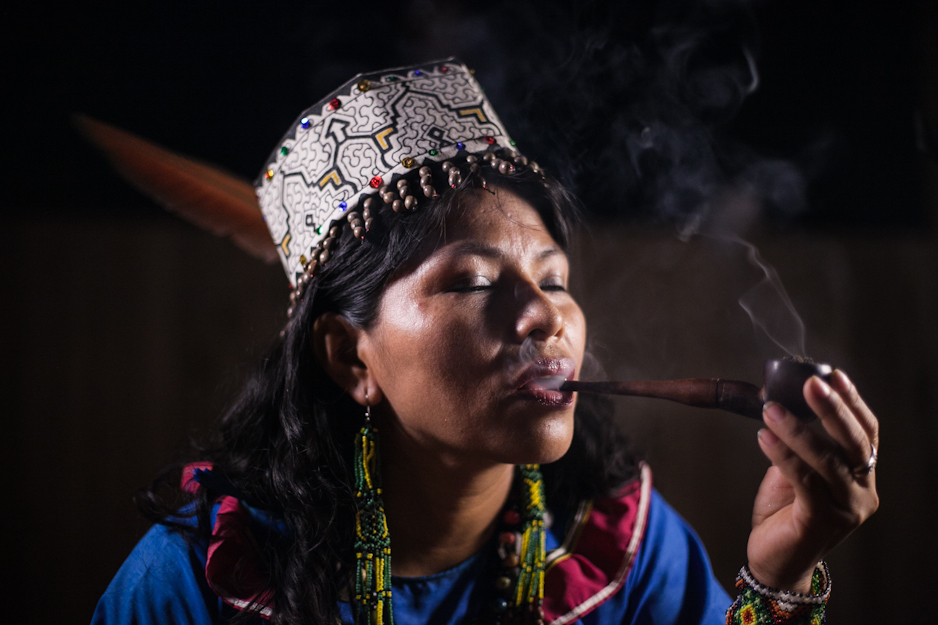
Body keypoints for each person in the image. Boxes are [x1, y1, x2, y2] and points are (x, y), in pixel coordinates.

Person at [90, 59, 879, 625]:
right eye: (471, 281)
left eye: (555, 278)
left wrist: (781, 571)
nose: (544, 316)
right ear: (349, 356)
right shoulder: (198, 583)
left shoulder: (619, 546)